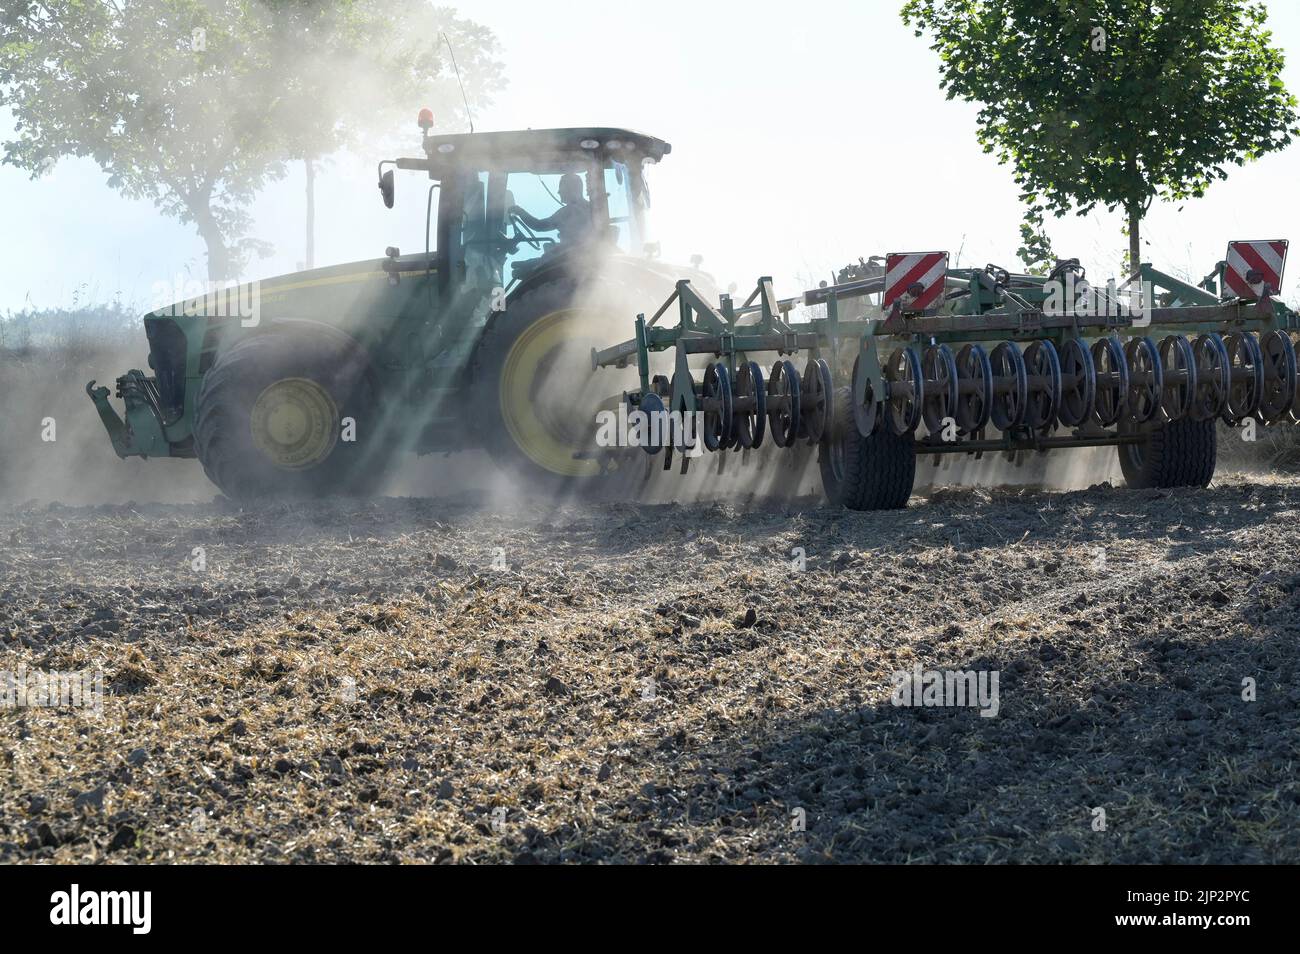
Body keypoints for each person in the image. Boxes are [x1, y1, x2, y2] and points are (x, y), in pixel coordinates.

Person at [509, 173, 594, 247]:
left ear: (570, 188)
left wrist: (519, 211)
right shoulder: (589, 207)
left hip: (569, 257)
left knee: (517, 265)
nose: (558, 191)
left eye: (561, 187)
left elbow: (539, 226)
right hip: (575, 255)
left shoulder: (570, 211)